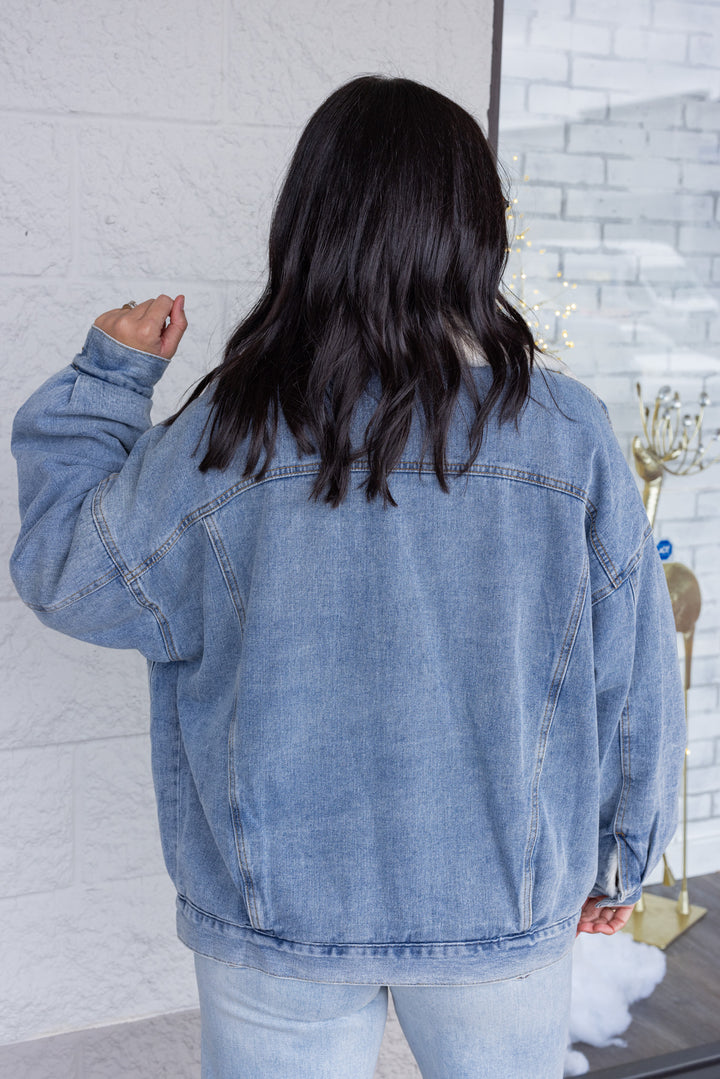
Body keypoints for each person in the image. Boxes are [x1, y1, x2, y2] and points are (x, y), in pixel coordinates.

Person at [9, 75, 685, 1079]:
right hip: (498, 898)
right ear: (472, 232)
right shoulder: (567, 431)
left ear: (309, 226)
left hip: (280, 907)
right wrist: (624, 855)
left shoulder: (226, 430)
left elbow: (72, 573)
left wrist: (108, 380)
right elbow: (632, 679)